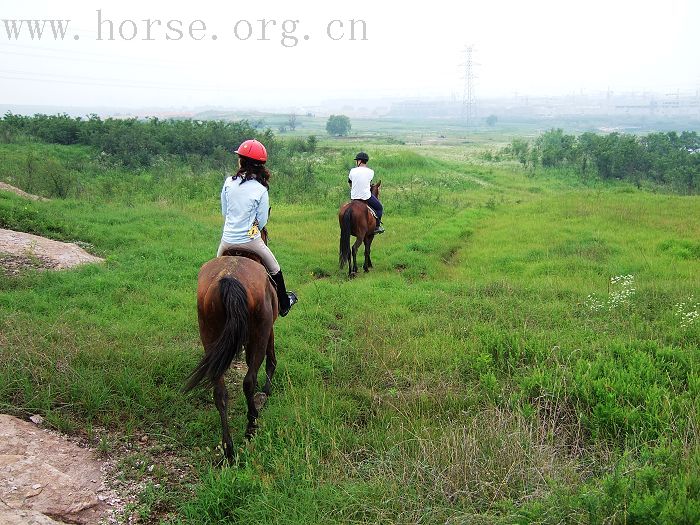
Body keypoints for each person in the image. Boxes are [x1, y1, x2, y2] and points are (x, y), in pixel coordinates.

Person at [217, 139, 297, 316]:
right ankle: (284, 304)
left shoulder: (228, 182)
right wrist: (251, 231)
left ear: (241, 161)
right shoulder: (261, 189)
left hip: (227, 241)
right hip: (250, 241)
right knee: (275, 268)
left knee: (215, 272)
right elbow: (261, 222)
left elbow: (224, 212)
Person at [348, 151, 384, 234]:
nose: (356, 162)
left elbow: (350, 183)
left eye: (356, 160)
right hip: (366, 197)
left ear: (359, 161)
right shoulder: (371, 172)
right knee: (379, 208)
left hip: (354, 197)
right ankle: (377, 226)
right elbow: (367, 182)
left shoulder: (352, 171)